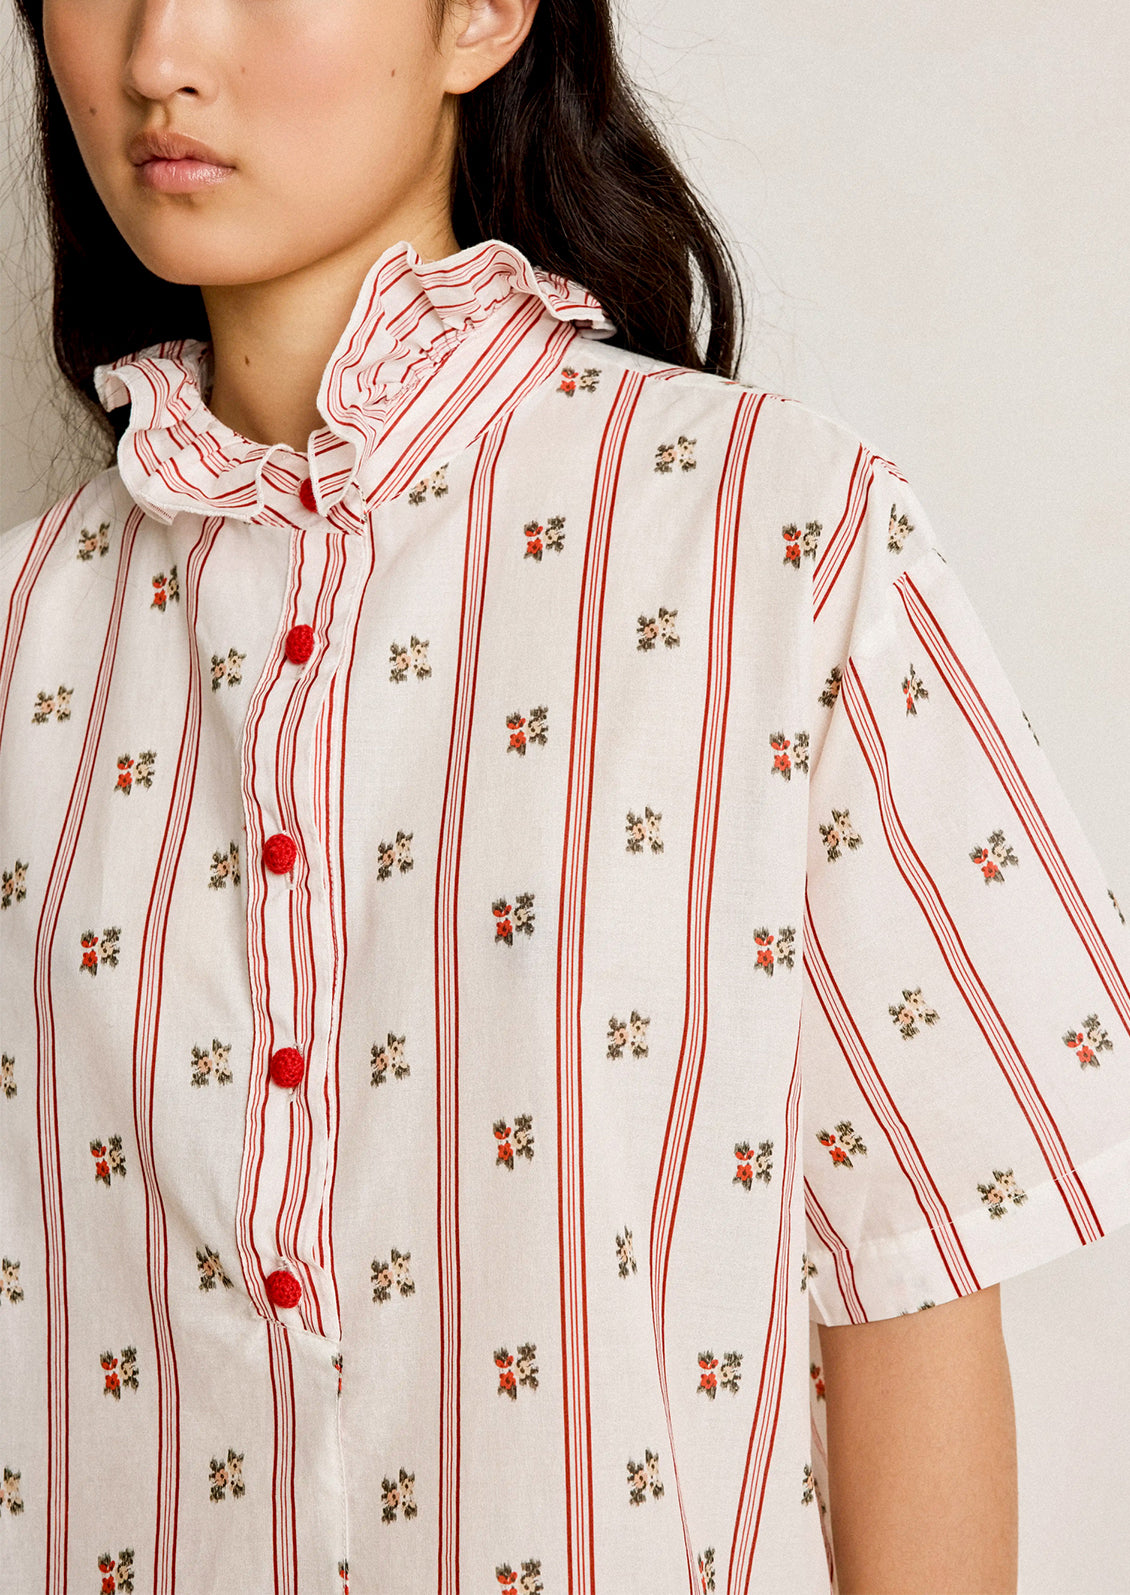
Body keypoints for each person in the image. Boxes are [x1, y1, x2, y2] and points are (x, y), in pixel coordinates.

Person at [1, 0, 1127, 1591]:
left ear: (483, 15)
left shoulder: (769, 540)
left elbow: (914, 1274)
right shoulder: (22, 642)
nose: (160, 49)